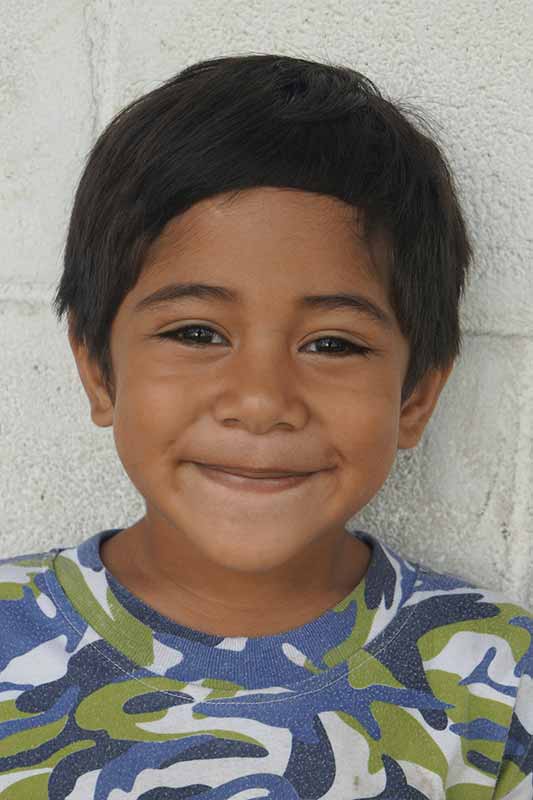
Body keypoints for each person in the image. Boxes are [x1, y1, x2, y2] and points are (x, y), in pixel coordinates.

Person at [1, 53, 531, 800]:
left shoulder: (499, 683)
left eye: (332, 344)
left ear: (414, 398)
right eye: (195, 333)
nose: (260, 401)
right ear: (97, 370)